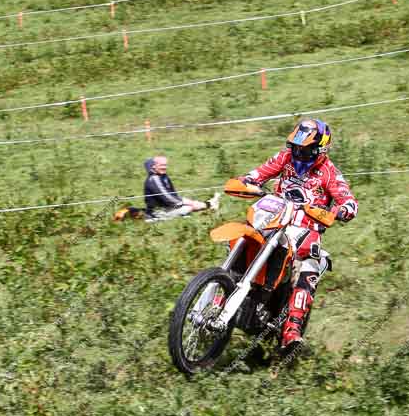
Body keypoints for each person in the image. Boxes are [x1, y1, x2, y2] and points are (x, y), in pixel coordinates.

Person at [240, 118, 358, 350]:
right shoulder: (285, 157)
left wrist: (342, 210)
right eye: (296, 147)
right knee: (245, 233)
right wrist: (248, 180)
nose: (298, 152)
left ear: (320, 149)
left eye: (304, 149)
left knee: (309, 263)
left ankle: (292, 328)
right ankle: (221, 288)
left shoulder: (330, 173)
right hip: (275, 217)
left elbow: (350, 201)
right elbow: (261, 172)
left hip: (306, 227)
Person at [114, 156, 219, 222]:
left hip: (168, 207)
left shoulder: (163, 176)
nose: (165, 167)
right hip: (159, 212)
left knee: (188, 205)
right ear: (153, 167)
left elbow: (172, 193)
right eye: (161, 165)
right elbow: (167, 197)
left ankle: (209, 204)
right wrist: (184, 202)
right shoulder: (154, 179)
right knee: (188, 207)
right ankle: (210, 204)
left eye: (165, 165)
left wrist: (184, 201)